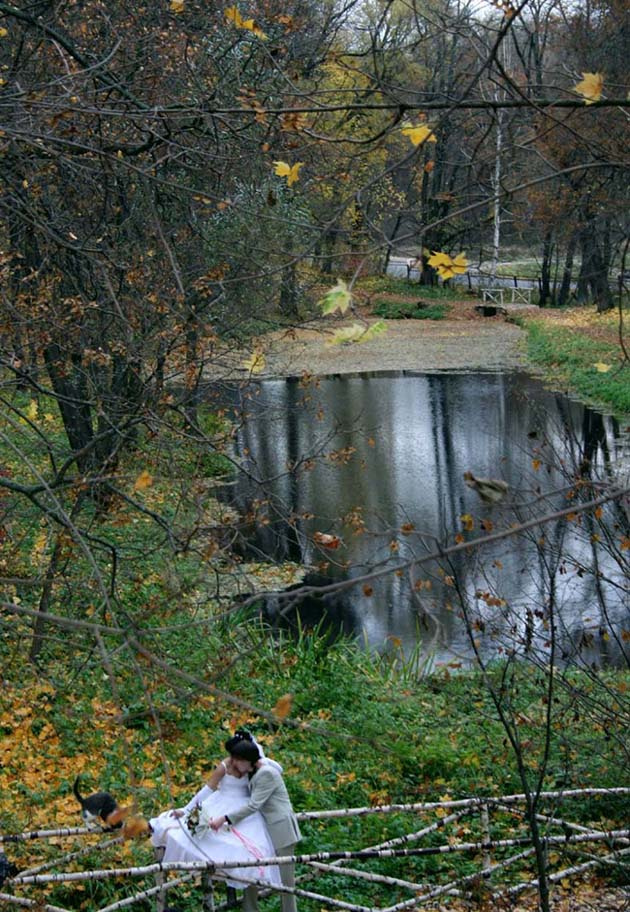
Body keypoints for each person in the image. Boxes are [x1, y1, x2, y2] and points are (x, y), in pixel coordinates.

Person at [149, 731, 282, 896]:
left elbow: (278, 770)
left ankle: (247, 884)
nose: (234, 760)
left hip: (244, 810)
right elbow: (208, 789)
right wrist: (187, 809)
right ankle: (217, 875)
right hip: (221, 804)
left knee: (249, 847)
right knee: (208, 839)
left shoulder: (252, 764)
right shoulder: (225, 767)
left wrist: (261, 761)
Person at [209, 739, 301, 912]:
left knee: (286, 881)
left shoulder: (266, 773)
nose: (235, 764)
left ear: (247, 760)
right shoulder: (256, 771)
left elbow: (253, 805)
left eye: (238, 760)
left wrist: (224, 818)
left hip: (280, 829)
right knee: (253, 870)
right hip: (267, 829)